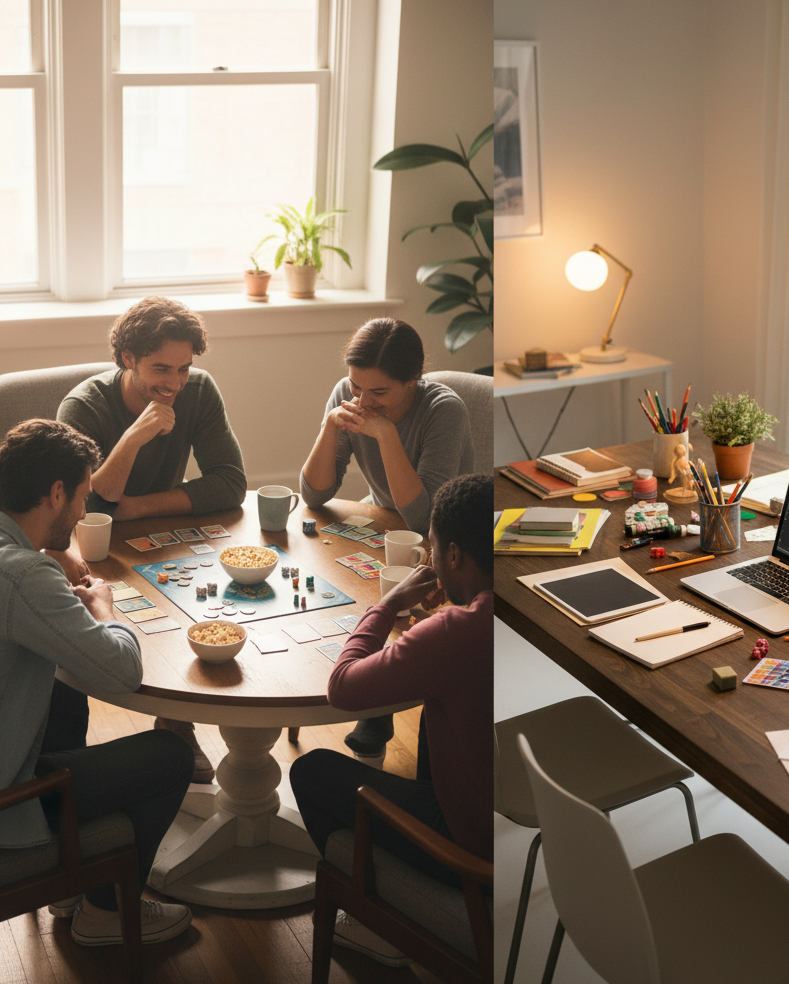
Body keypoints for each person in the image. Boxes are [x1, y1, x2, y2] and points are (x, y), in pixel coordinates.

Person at [0, 419, 195, 947]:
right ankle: (106, 911)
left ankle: (73, 881)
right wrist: (105, 610)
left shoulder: (15, 558)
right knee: (170, 755)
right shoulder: (22, 577)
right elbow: (122, 669)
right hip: (6, 808)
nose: (85, 512)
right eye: (83, 497)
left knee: (63, 697)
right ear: (57, 492)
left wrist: (46, 554)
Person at [289, 473, 492, 968]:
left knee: (310, 771)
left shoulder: (456, 631)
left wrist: (388, 604)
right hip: (524, 831)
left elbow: (343, 687)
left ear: (455, 556)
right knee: (430, 722)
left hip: (471, 848)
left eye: (434, 548)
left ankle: (377, 919)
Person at [53, 295, 248, 783]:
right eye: (162, 368)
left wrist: (138, 507)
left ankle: (202, 719)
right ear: (127, 359)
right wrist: (135, 437)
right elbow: (89, 508)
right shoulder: (82, 407)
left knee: (212, 603)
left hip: (164, 537)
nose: (175, 383)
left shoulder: (198, 391)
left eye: (184, 368)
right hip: (92, 546)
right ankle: (161, 728)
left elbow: (230, 482)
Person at [300, 317, 475, 761]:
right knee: (328, 573)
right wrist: (329, 428)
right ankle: (351, 684)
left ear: (413, 380)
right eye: (357, 387)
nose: (362, 400)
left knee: (389, 592)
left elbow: (425, 517)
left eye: (379, 392)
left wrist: (386, 436)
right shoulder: (348, 394)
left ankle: (375, 708)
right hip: (380, 521)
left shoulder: (443, 410)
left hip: (448, 537)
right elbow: (316, 494)